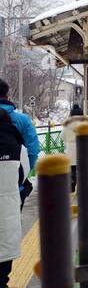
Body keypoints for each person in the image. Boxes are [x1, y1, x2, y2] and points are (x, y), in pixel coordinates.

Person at [0, 86, 30, 288]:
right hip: (7, 200)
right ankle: (2, 286)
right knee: (4, 242)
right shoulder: (17, 145)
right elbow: (24, 171)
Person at [0, 80, 40, 211]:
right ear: (7, 95)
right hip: (15, 184)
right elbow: (33, 150)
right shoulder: (22, 120)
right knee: (12, 223)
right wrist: (23, 176)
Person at [64, 103, 88, 193]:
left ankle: (72, 183)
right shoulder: (85, 124)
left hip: (70, 150)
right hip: (82, 150)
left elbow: (63, 136)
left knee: (72, 169)